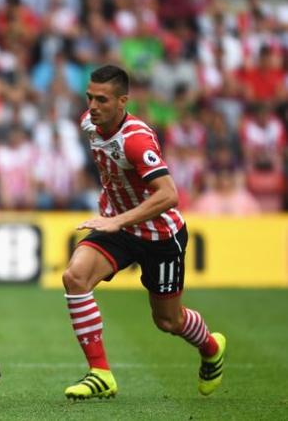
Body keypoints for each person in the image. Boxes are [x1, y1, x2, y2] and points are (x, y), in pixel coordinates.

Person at [61, 65, 226, 400]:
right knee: (75, 278)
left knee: (168, 321)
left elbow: (169, 195)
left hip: (159, 234)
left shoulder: (136, 140)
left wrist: (119, 220)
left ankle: (211, 347)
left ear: (123, 101)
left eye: (102, 99)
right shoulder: (89, 123)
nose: (93, 106)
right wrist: (115, 217)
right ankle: (101, 373)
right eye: (90, 97)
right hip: (117, 225)